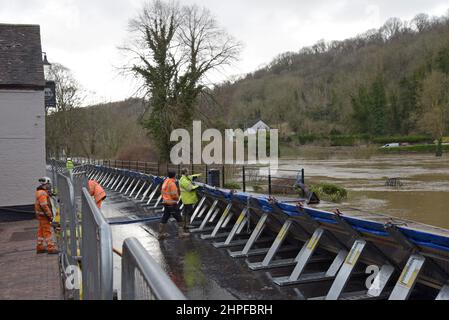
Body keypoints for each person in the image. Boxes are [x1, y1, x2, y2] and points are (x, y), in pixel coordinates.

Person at [159, 171, 189, 240]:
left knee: (165, 218)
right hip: (172, 204)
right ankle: (181, 234)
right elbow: (174, 195)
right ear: (174, 176)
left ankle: (160, 233)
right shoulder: (172, 184)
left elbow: (163, 191)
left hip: (166, 203)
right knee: (179, 218)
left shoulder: (166, 181)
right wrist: (178, 198)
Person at [35, 177, 58, 254]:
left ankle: (40, 247)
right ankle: (51, 248)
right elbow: (44, 206)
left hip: (41, 215)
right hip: (44, 216)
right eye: (49, 184)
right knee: (47, 231)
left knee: (41, 231)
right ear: (46, 184)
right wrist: (50, 215)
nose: (50, 186)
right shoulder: (42, 193)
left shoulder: (41, 192)